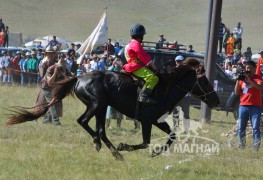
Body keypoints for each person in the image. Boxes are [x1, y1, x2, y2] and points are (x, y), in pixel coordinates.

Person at [123, 23, 159, 104]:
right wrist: (154, 67)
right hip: (136, 67)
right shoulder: (136, 44)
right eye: (143, 35)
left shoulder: (128, 45)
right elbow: (143, 55)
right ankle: (144, 95)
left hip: (131, 66)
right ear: (140, 35)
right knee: (153, 78)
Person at [234, 61, 262, 150]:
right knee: (241, 128)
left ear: (254, 69)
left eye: (249, 68)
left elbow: (260, 87)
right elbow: (236, 92)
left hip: (255, 106)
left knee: (255, 128)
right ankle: (241, 145)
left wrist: (250, 80)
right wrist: (238, 81)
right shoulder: (242, 79)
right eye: (246, 68)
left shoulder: (258, 78)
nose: (247, 70)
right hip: (243, 106)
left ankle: (255, 147)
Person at [40, 58, 69, 125]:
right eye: (60, 67)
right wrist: (55, 73)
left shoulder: (63, 70)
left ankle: (46, 120)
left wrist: (64, 75)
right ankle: (55, 121)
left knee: (55, 103)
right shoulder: (50, 69)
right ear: (56, 66)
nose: (61, 68)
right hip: (46, 87)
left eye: (63, 67)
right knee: (52, 103)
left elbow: (67, 81)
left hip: (54, 88)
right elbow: (49, 82)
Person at [172, 55, 191, 133]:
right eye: (177, 61)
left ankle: (186, 129)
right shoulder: (173, 71)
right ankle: (176, 128)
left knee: (186, 114)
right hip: (176, 96)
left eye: (180, 61)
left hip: (185, 96)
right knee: (175, 113)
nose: (178, 63)